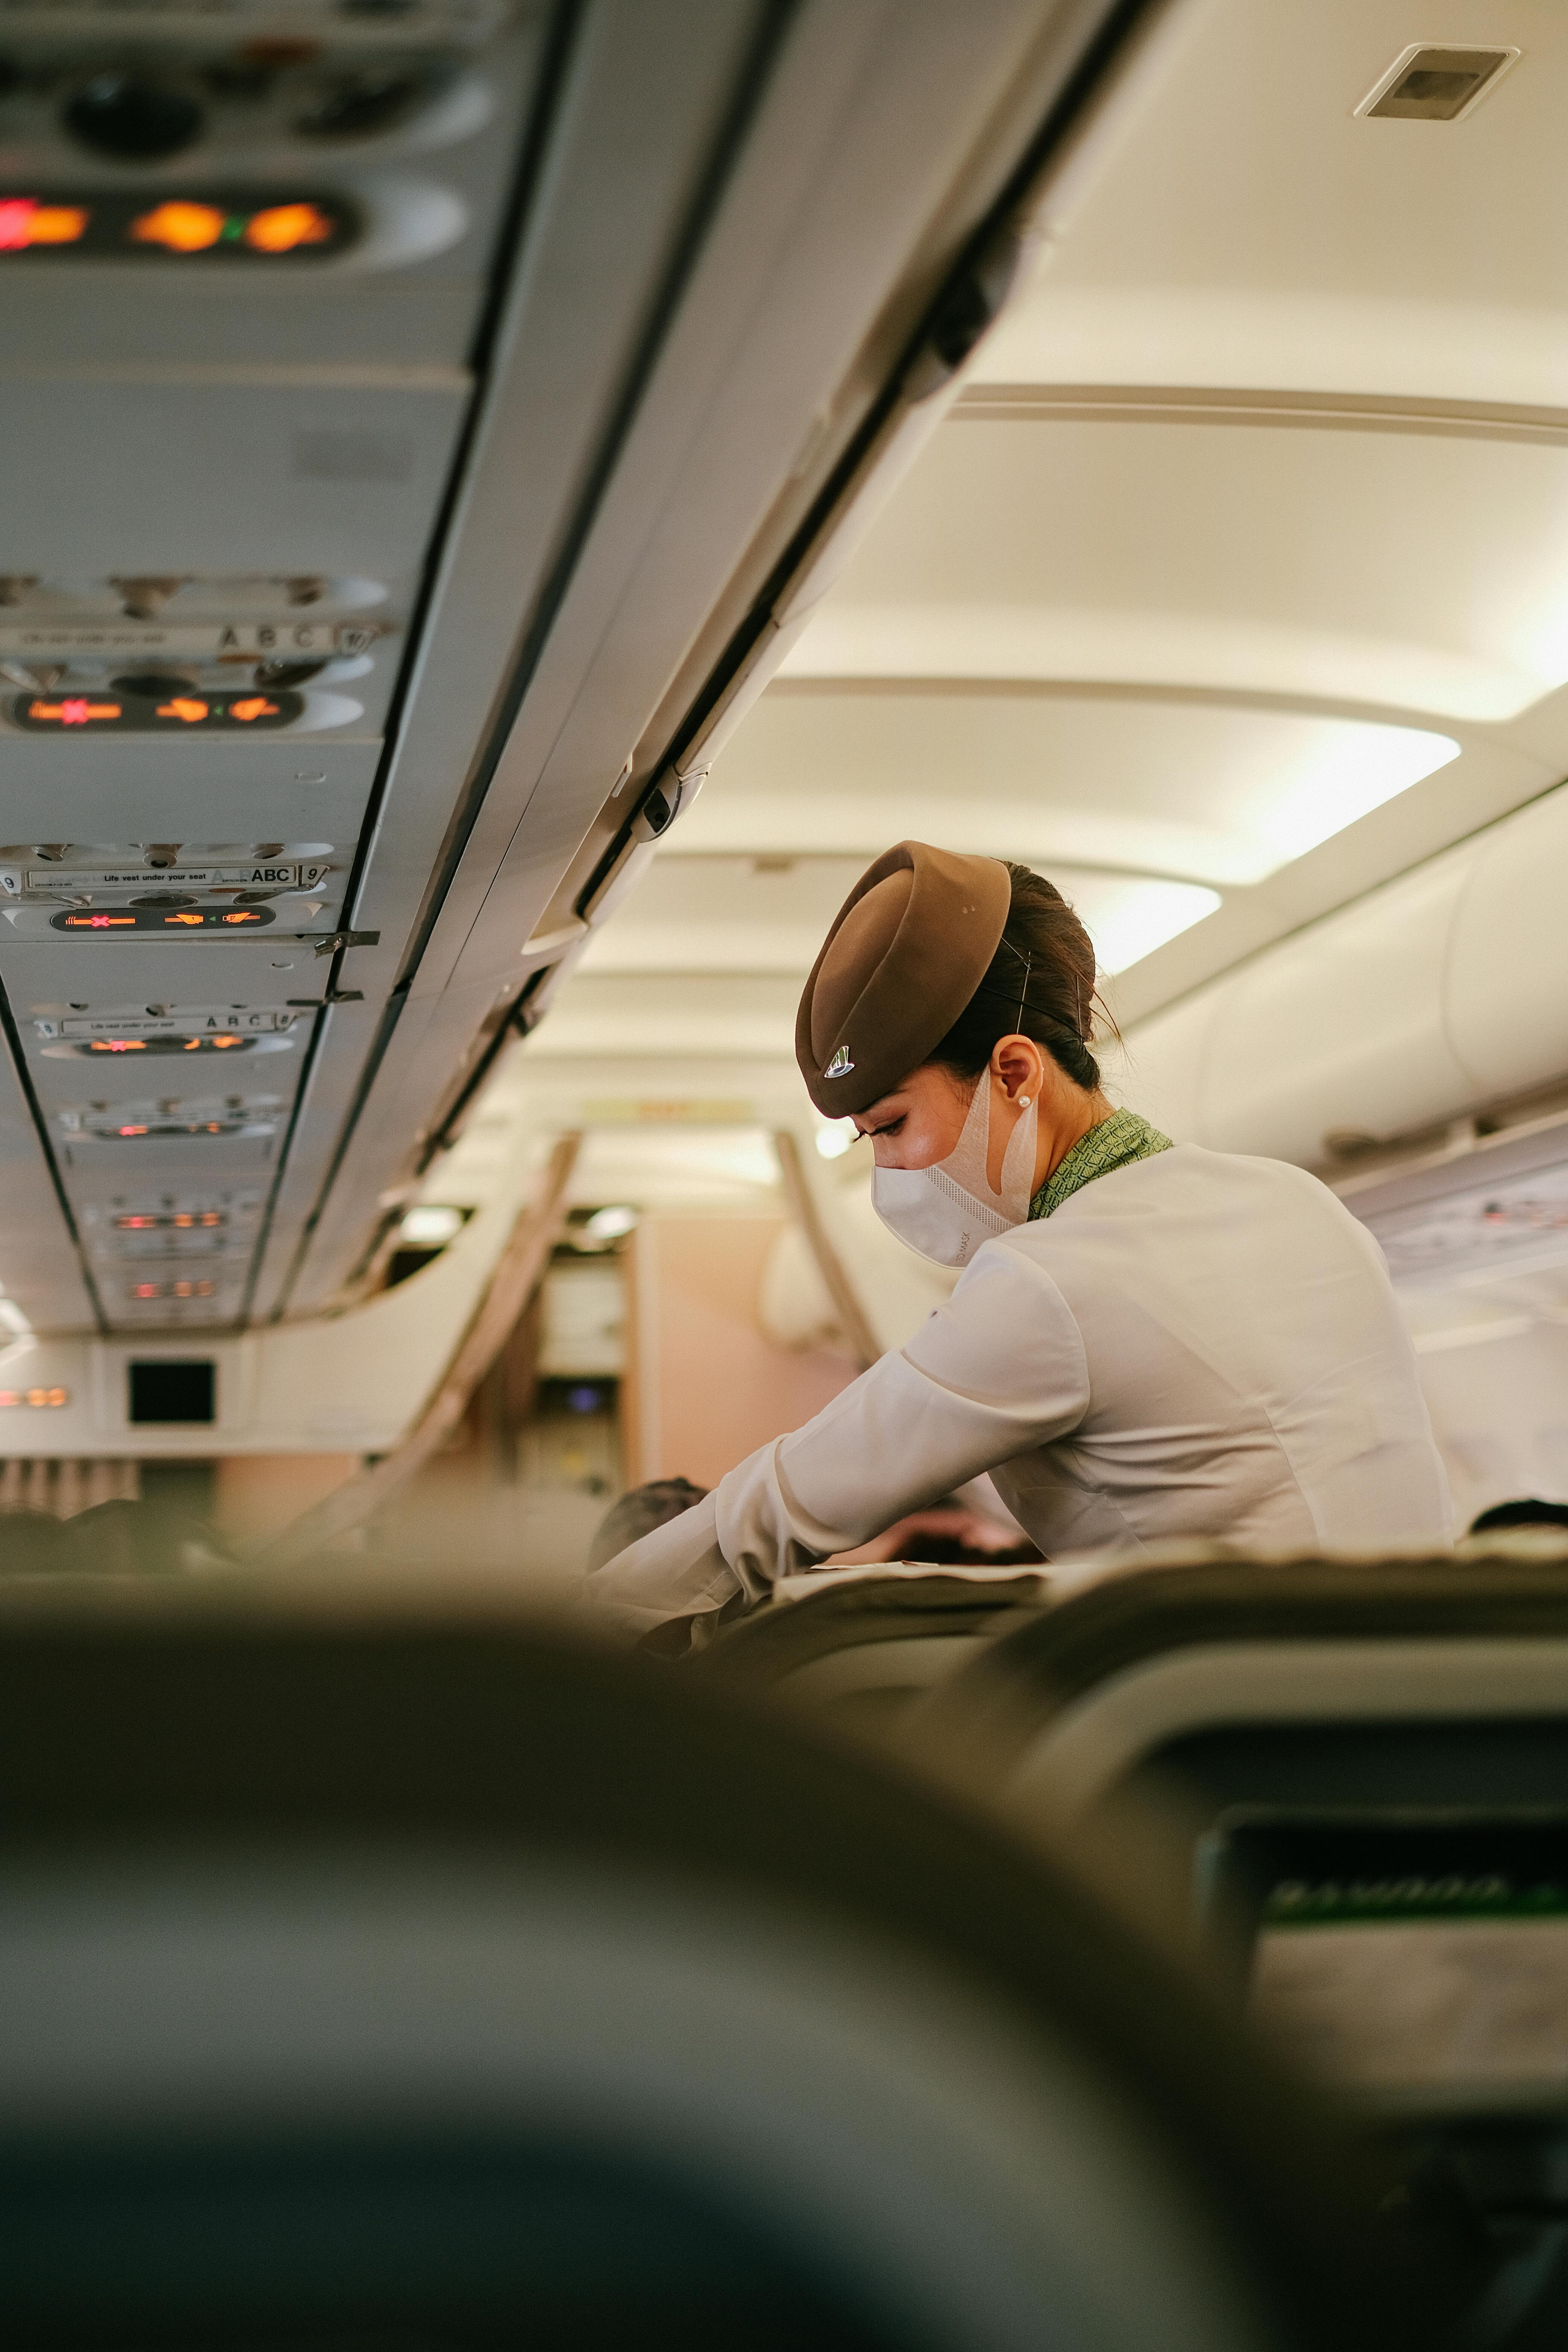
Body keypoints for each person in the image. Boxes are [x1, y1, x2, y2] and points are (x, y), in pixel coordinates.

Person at [590, 842, 1453, 1648]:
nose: (888, 1166)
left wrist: (585, 1630)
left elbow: (781, 1504)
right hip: (1428, 1693)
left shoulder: (1053, 1281)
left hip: (1251, 1731)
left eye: (890, 1126)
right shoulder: (1296, 1198)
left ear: (1013, 1073)